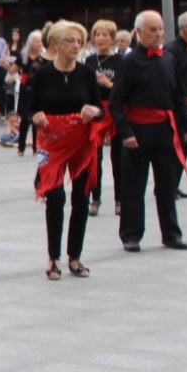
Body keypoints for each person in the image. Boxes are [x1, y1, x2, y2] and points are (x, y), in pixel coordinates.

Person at [21, 21, 112, 278]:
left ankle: (75, 256)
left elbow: (99, 107)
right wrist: (35, 116)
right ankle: (54, 258)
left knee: (81, 197)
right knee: (56, 197)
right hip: (51, 142)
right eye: (70, 41)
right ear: (57, 44)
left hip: (81, 141)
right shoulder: (43, 74)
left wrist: (94, 110)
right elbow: (30, 107)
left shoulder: (86, 73)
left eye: (79, 41)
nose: (76, 46)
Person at [112, 11, 187, 252]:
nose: (159, 34)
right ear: (138, 32)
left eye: (160, 29)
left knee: (167, 184)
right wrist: (126, 132)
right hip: (137, 130)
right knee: (134, 185)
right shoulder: (128, 62)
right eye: (153, 29)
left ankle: (171, 234)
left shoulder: (168, 58)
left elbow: (178, 96)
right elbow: (116, 102)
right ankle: (131, 234)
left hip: (165, 130)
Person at [82, 20, 122, 216]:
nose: (100, 38)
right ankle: (95, 198)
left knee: (118, 157)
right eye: (97, 35)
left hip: (115, 109)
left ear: (112, 39)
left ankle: (120, 199)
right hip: (96, 111)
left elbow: (125, 89)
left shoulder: (121, 61)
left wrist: (109, 84)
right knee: (94, 157)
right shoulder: (90, 61)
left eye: (105, 35)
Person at [164, 12, 187, 199]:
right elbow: (171, 79)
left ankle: (175, 185)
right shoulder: (172, 50)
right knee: (176, 144)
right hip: (174, 103)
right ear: (186, 27)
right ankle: (167, 186)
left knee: (186, 143)